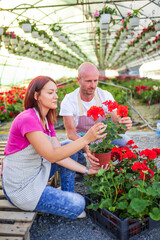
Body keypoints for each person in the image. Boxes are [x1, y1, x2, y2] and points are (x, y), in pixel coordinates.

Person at [2, 76, 107, 219]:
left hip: (36, 172)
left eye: (56, 92)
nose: (56, 96)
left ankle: (66, 193)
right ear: (36, 95)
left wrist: (88, 170)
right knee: (78, 203)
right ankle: (68, 202)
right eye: (50, 93)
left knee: (69, 145)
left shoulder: (45, 120)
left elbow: (60, 155)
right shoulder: (28, 119)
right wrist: (86, 139)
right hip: (21, 188)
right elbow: (52, 156)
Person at [59, 62, 132, 167]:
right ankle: (80, 168)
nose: (93, 85)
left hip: (103, 136)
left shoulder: (105, 95)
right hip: (81, 138)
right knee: (69, 145)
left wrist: (125, 125)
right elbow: (71, 134)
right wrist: (87, 148)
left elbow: (118, 124)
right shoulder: (69, 100)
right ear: (78, 81)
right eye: (88, 81)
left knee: (126, 141)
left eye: (95, 81)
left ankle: (118, 169)